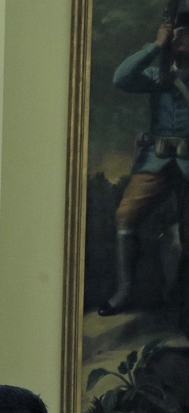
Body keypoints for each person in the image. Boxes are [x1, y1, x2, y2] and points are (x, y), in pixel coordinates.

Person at [101, 14, 189, 316]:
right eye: (173, 34)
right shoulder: (158, 74)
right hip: (158, 160)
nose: (176, 39)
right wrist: (155, 46)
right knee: (126, 215)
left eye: (182, 33)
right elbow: (120, 78)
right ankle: (125, 292)